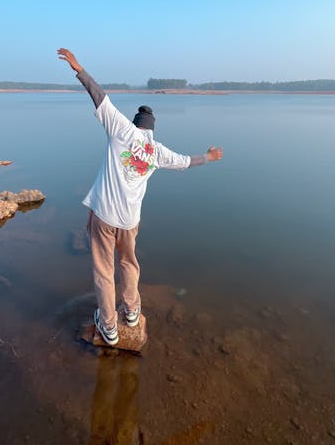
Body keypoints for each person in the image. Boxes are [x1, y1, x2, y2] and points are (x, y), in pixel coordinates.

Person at [58, 48, 223, 346]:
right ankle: (132, 312)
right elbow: (187, 161)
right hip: (129, 221)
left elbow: (98, 96)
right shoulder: (157, 152)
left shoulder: (121, 130)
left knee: (103, 272)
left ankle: (109, 327)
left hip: (105, 217)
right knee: (129, 265)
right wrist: (209, 156)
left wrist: (78, 67)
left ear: (135, 123)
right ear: (152, 129)